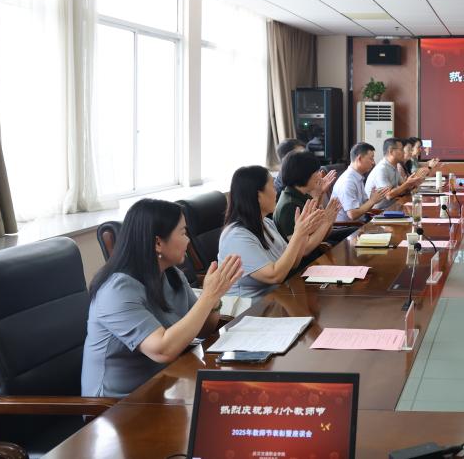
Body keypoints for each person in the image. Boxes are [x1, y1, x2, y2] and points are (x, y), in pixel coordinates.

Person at [82, 199, 243, 397]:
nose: (188, 240)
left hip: (164, 386)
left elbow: (203, 328)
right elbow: (162, 350)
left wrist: (215, 297)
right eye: (183, 233)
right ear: (158, 242)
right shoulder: (116, 291)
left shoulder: (171, 274)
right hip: (117, 406)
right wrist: (208, 296)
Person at [219, 165, 333, 298]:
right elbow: (274, 276)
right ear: (258, 195)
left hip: (277, 297)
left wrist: (303, 233)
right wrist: (298, 234)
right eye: (272, 187)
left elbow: (293, 263)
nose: (276, 193)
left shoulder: (266, 223)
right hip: (250, 305)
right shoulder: (236, 236)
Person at [274, 150, 350, 246]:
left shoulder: (301, 194)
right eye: (316, 172)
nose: (320, 175)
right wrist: (327, 221)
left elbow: (321, 233)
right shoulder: (289, 206)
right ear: (304, 174)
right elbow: (303, 249)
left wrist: (320, 194)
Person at [333, 142, 393, 223]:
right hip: (348, 228)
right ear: (359, 159)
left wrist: (372, 199)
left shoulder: (357, 177)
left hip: (359, 223)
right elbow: (352, 214)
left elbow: (363, 206)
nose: (373, 162)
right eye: (371, 158)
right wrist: (372, 201)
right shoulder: (348, 182)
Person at [366, 138, 428, 208]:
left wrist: (413, 182)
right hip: (380, 211)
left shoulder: (393, 166)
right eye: (401, 150)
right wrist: (407, 184)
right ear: (391, 151)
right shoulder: (381, 169)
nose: (404, 152)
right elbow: (389, 195)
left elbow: (403, 185)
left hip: (392, 206)